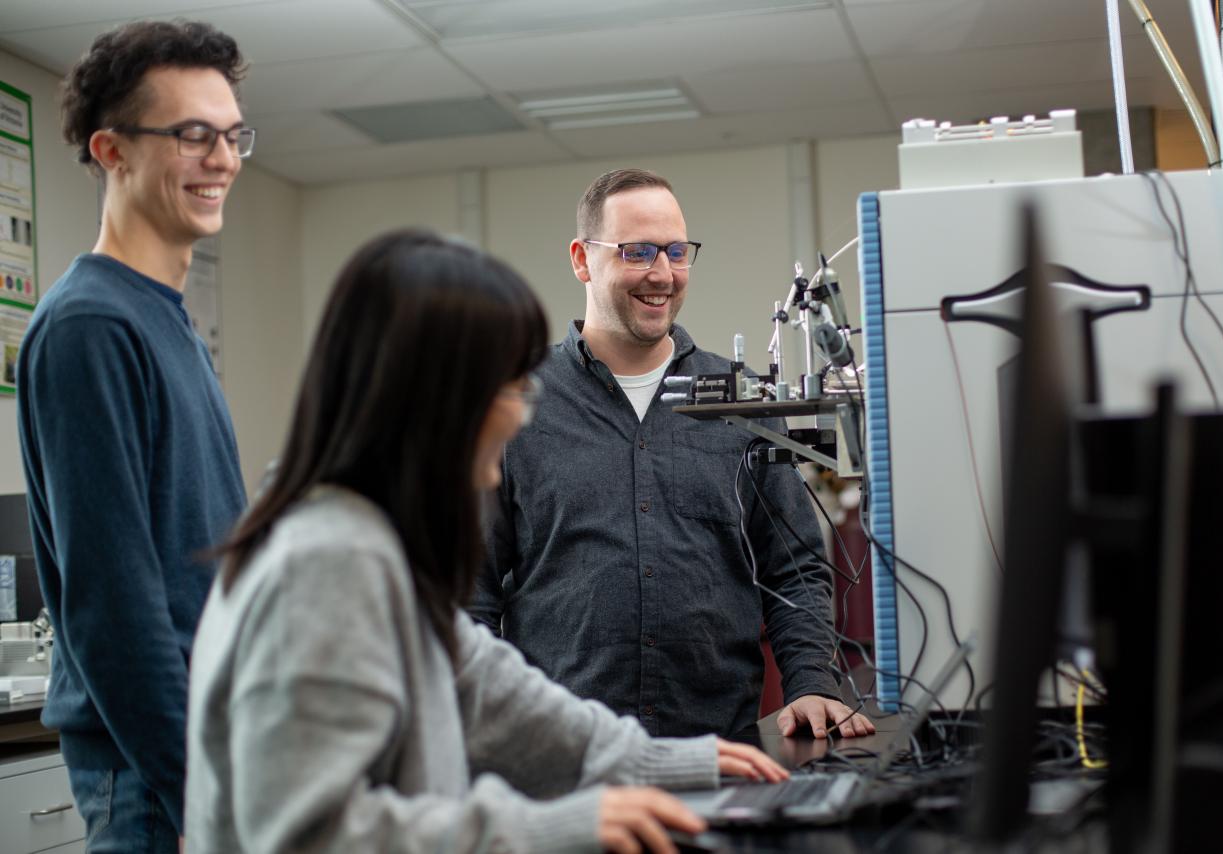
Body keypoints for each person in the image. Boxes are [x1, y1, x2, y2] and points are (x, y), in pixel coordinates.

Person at [185, 230, 786, 853]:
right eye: (510, 387)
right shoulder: (327, 563)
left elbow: (483, 686)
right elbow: (307, 836)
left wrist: (658, 763)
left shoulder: (372, 540)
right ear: (434, 398)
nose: (524, 412)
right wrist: (549, 827)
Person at [471, 168, 875, 740]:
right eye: (637, 252)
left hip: (720, 750)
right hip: (565, 759)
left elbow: (795, 566)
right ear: (582, 260)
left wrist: (812, 680)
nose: (662, 274)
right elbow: (473, 589)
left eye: (676, 251)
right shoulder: (516, 404)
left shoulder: (744, 403)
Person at [17, 21, 252, 850]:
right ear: (111, 150)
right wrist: (204, 789)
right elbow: (113, 608)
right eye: (193, 135)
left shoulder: (167, 322)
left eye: (231, 136)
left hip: (203, 751)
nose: (221, 158)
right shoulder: (89, 326)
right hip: (154, 779)